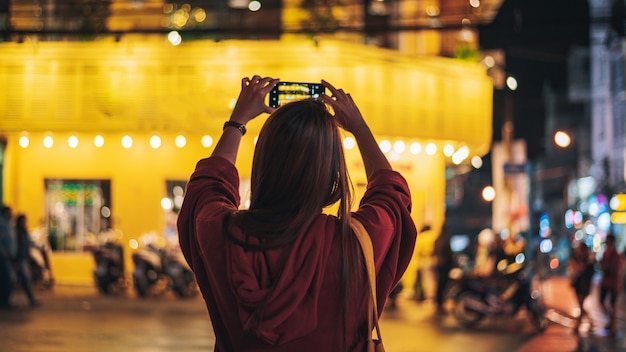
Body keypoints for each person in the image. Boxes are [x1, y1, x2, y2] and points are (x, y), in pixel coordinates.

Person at [177, 76, 417, 351]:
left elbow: (208, 185)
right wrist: (360, 129)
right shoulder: (357, 241)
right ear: (332, 172)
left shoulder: (221, 232)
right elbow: (390, 192)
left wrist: (237, 122)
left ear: (263, 163)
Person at [13, 214, 41, 307]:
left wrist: (37, 246)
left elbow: (29, 242)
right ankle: (31, 300)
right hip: (19, 259)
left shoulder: (24, 231)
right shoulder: (16, 232)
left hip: (24, 258)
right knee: (24, 279)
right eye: (23, 221)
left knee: (22, 280)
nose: (24, 222)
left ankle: (31, 299)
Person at [599, 233, 623, 336]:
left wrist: (618, 283)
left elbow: (618, 271)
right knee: (602, 301)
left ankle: (613, 325)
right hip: (606, 281)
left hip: (613, 283)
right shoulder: (606, 253)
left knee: (613, 304)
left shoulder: (616, 255)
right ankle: (611, 321)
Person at [569, 242, 595, 334]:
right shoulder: (577, 258)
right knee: (581, 305)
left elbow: (589, 273)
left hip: (583, 285)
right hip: (578, 284)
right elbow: (573, 268)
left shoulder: (588, 261)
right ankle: (590, 321)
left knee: (581, 305)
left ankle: (578, 325)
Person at [433, 223, 454, 314]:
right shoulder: (446, 239)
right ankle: (440, 303)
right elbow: (448, 252)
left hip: (438, 263)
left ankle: (438, 303)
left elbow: (435, 250)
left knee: (439, 284)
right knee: (443, 284)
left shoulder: (438, 239)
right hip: (445, 264)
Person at [0, 205, 16, 309]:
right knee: (9, 279)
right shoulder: (2, 224)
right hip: (4, 256)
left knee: (10, 279)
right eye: (9, 212)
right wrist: (2, 250)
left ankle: (5, 301)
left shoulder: (9, 224)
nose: (11, 214)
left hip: (10, 256)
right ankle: (4, 302)